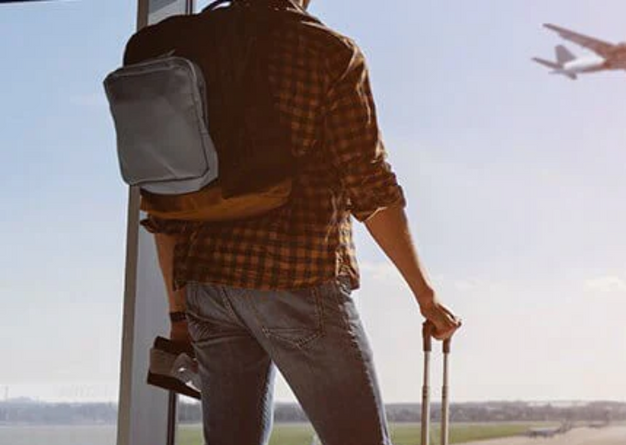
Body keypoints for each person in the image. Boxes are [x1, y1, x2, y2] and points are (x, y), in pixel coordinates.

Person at [141, 1, 461, 444]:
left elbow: (163, 201)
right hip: (296, 277)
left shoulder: (184, 47)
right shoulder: (328, 53)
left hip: (207, 287)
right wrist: (426, 297)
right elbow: (370, 187)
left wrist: (179, 314)